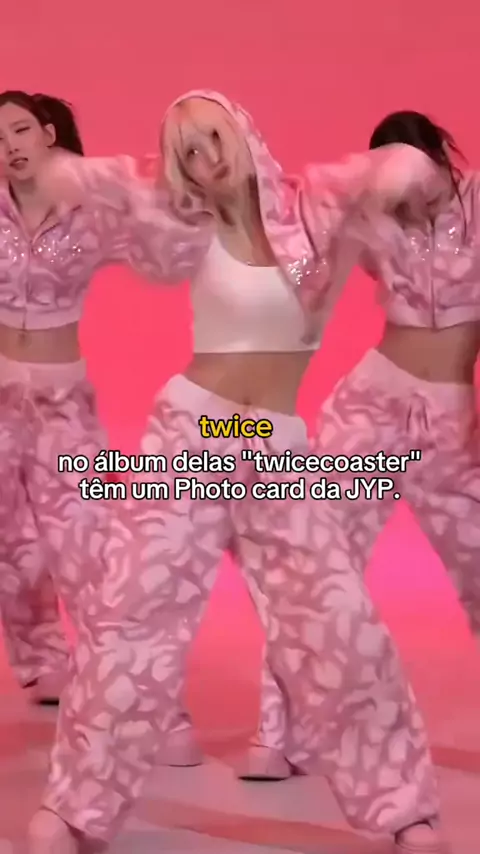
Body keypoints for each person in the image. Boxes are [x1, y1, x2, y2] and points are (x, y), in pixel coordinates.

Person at [27, 92, 444, 854]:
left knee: (340, 627)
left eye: (212, 136)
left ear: (244, 132)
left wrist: (377, 177)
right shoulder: (184, 226)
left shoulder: (311, 210)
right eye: (187, 149)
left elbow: (404, 168)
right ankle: (74, 810)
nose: (205, 157)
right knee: (131, 619)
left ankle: (402, 810)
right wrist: (87, 172)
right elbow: (89, 181)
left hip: (274, 445)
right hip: (194, 431)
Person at [0, 89, 212, 715]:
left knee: (88, 539)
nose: (9, 147)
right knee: (11, 541)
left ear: (47, 133)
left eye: (19, 130)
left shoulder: (90, 209)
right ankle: (41, 659)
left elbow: (164, 240)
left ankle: (116, 667)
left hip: (63, 398)